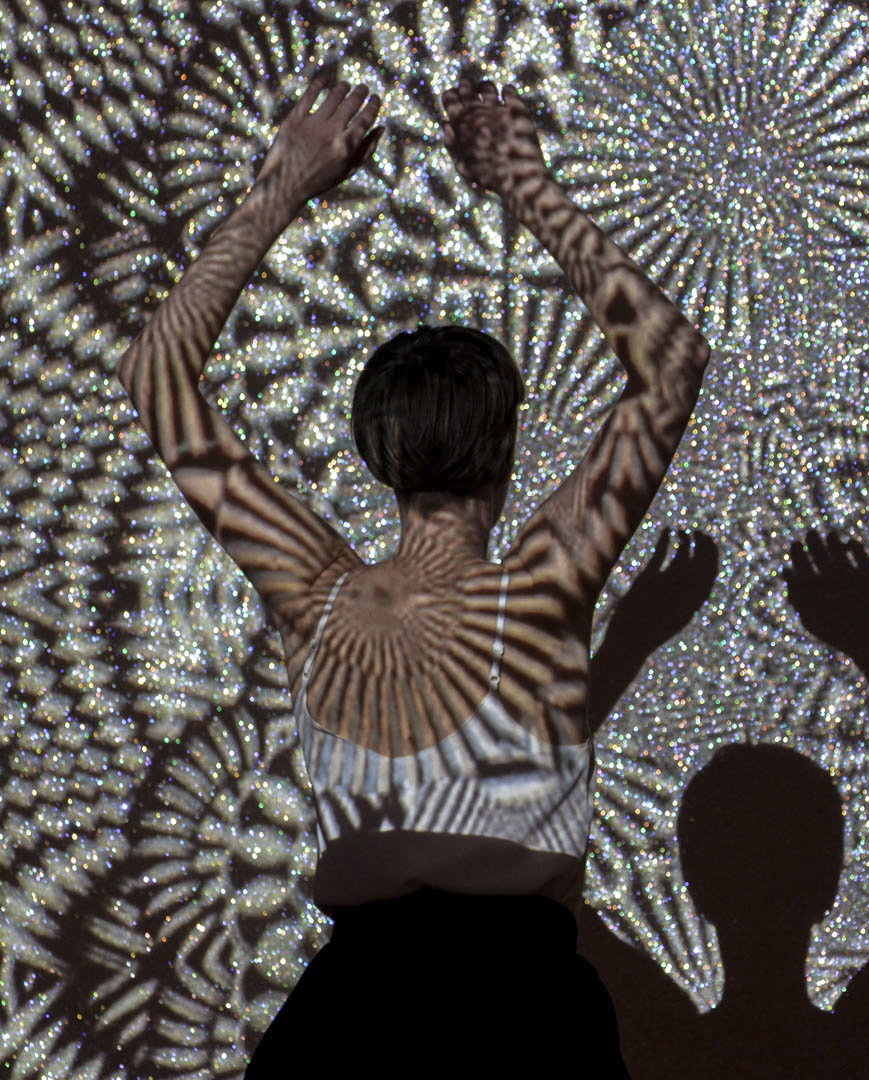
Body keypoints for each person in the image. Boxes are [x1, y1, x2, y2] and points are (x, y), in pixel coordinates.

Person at [112, 72, 711, 1076]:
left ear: (377, 456)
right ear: (507, 449)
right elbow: (671, 361)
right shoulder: (545, 587)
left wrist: (283, 183)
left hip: (352, 1024)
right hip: (525, 1023)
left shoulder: (312, 593)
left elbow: (154, 373)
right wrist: (522, 183)